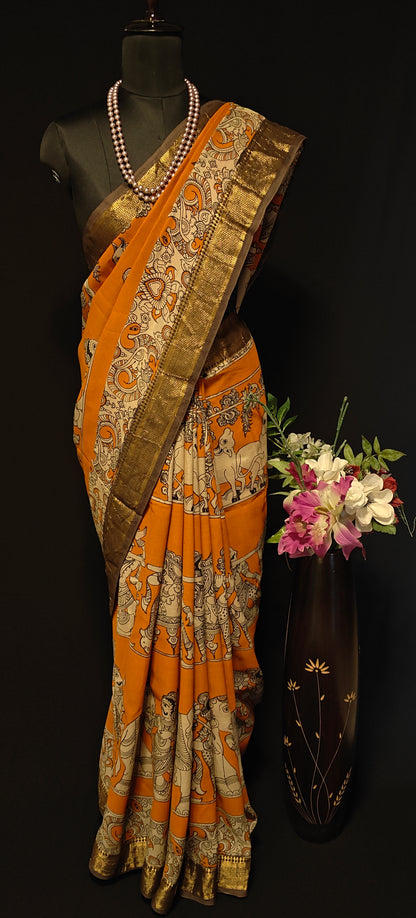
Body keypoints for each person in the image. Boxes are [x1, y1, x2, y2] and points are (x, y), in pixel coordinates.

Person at [41, 9, 304, 914]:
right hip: (127, 411)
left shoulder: (241, 140)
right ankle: (146, 814)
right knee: (147, 603)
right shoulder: (68, 139)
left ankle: (213, 813)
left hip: (224, 396)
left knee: (218, 608)